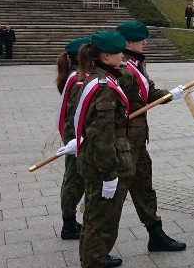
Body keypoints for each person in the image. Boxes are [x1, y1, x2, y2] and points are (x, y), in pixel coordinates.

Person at [114, 21, 186, 252]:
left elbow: (147, 94)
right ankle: (97, 247)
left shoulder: (136, 64)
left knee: (144, 186)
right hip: (124, 141)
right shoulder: (123, 70)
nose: (145, 42)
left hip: (137, 141)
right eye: (140, 39)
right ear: (127, 42)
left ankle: (155, 233)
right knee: (115, 194)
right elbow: (117, 107)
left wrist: (169, 95)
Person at [67, 31, 132, 268]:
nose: (122, 55)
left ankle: (93, 258)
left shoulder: (95, 77)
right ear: (106, 56)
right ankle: (94, 261)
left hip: (93, 160)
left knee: (94, 216)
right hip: (103, 163)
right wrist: (109, 174)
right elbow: (101, 134)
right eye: (118, 52)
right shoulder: (104, 85)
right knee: (102, 219)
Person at [53, 37, 90, 240]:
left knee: (75, 178)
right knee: (74, 179)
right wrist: (78, 138)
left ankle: (70, 221)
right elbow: (76, 111)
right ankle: (68, 225)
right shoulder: (78, 79)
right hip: (77, 135)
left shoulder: (77, 75)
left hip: (76, 133)